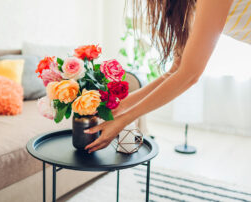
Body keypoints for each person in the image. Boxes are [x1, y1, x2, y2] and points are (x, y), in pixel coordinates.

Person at [85, 0, 250, 153]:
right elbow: (176, 69)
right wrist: (122, 106)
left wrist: (123, 120)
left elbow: (190, 74)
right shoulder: (187, 4)